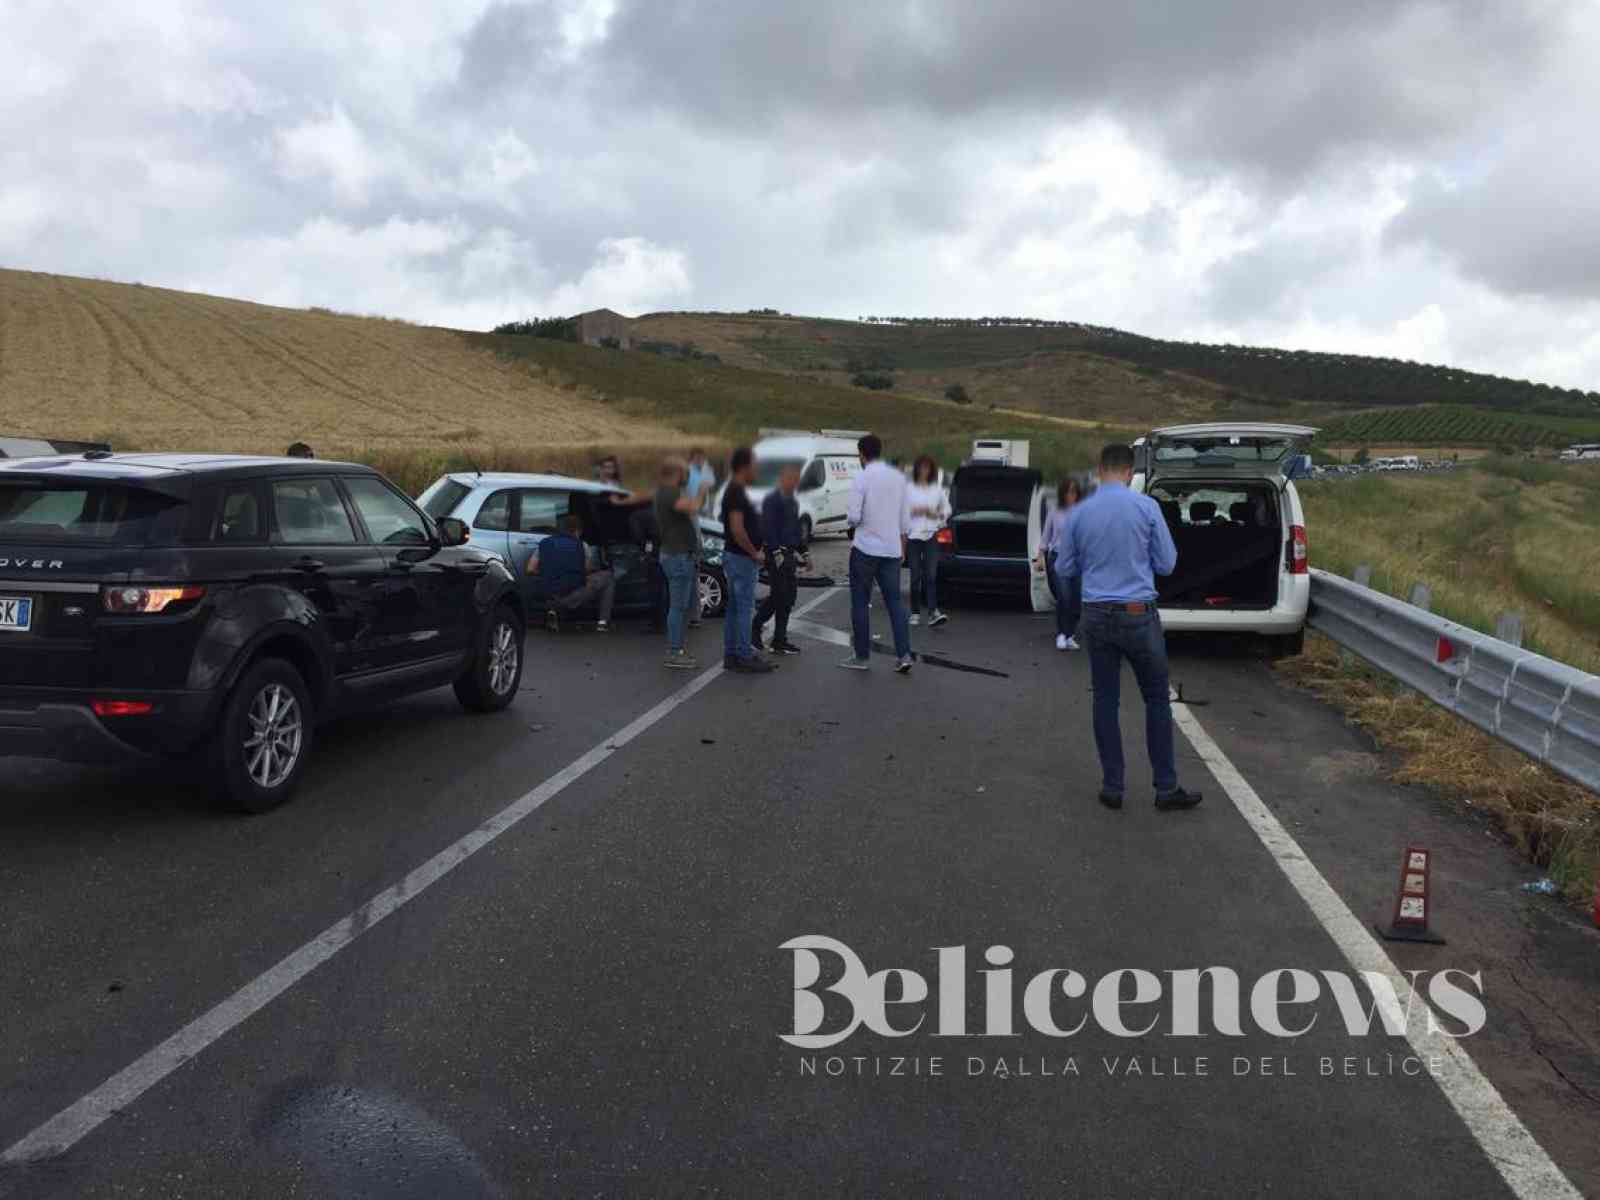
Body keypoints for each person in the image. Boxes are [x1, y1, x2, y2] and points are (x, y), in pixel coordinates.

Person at [1056, 444, 1200, 812]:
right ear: (1129, 470)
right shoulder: (1146, 507)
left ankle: (1113, 785)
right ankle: (1166, 788)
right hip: (1138, 613)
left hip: (1096, 613)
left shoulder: (1078, 512)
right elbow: (1167, 564)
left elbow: (1065, 569)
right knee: (1155, 699)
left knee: (1105, 698)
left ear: (1100, 468)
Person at [841, 433, 913, 674]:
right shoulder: (898, 478)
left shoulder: (861, 478)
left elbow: (853, 516)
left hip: (865, 550)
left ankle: (862, 657)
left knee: (860, 603)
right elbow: (905, 520)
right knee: (895, 603)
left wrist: (854, 522)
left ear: (861, 454)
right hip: (891, 550)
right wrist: (902, 548)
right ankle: (903, 655)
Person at [718, 447, 775, 673]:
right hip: (742, 559)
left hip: (736, 557)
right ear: (744, 466)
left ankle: (731, 654)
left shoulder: (736, 490)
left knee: (734, 608)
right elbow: (737, 529)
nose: (757, 468)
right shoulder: (736, 492)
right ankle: (743, 654)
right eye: (755, 464)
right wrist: (754, 553)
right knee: (744, 608)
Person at [653, 457, 703, 669]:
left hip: (679, 555)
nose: (688, 476)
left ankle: (678, 648)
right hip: (678, 556)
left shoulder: (664, 492)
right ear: (677, 473)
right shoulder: (670, 492)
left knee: (681, 607)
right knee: (678, 607)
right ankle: (675, 652)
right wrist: (702, 489)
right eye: (686, 472)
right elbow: (692, 507)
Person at [528, 513, 616, 633]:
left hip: (547, 595)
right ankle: (603, 623)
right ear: (578, 531)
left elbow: (530, 569)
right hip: (572, 595)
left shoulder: (544, 543)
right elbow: (586, 570)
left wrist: (549, 571)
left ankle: (552, 609)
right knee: (608, 576)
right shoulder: (581, 545)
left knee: (551, 586)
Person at [753, 463, 806, 655]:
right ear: (783, 479)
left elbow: (796, 530)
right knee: (778, 597)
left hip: (790, 555)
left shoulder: (793, 501)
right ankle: (755, 627)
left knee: (788, 598)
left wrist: (805, 553)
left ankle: (779, 640)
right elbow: (768, 528)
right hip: (776, 555)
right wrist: (776, 553)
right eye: (793, 479)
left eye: (797, 479)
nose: (796, 483)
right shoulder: (772, 500)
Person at [903, 456, 949, 628]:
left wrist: (935, 515)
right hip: (914, 537)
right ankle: (915, 612)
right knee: (915, 577)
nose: (924, 471)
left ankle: (933, 612)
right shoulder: (908, 489)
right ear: (917, 469)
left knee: (931, 576)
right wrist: (912, 512)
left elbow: (947, 509)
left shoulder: (936, 490)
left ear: (931, 470)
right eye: (921, 467)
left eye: (927, 468)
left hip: (931, 535)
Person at [1042, 478, 1085, 651]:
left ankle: (1070, 634)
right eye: (1068, 491)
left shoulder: (1083, 512)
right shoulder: (1055, 511)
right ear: (1062, 493)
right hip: (1058, 558)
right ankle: (1061, 633)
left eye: (1074, 491)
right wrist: (1039, 555)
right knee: (1064, 597)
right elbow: (1046, 536)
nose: (1071, 495)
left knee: (1076, 600)